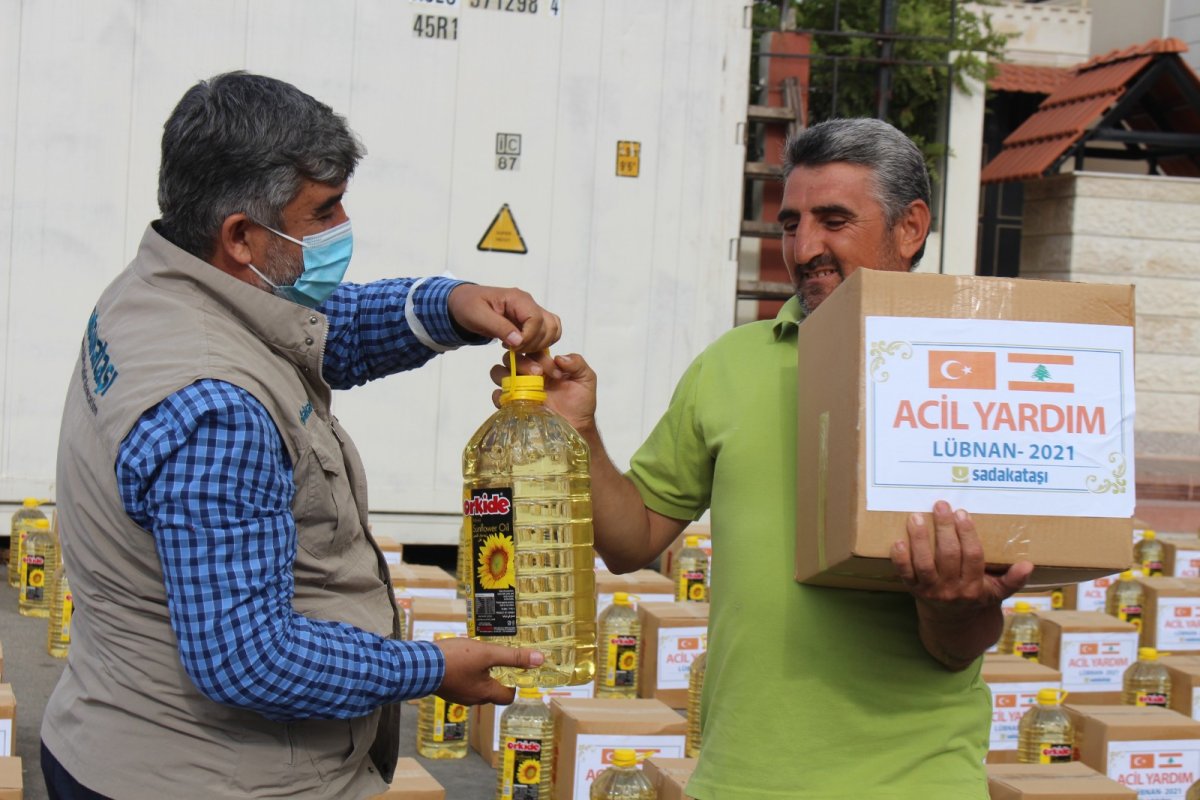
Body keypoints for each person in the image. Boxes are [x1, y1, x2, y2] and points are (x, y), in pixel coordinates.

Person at [42, 71, 559, 800]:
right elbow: (248, 657)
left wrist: (451, 306)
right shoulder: (216, 409)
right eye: (324, 210)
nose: (343, 226)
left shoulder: (161, 290)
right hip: (216, 777)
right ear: (242, 236)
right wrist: (432, 668)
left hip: (114, 735)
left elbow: (317, 333)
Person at [506, 118, 1034, 798]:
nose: (805, 246)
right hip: (737, 781)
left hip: (912, 783)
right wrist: (580, 433)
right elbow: (630, 541)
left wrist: (954, 603)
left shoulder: (975, 373)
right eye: (791, 224)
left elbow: (963, 640)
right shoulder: (733, 362)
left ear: (910, 228)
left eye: (834, 220)